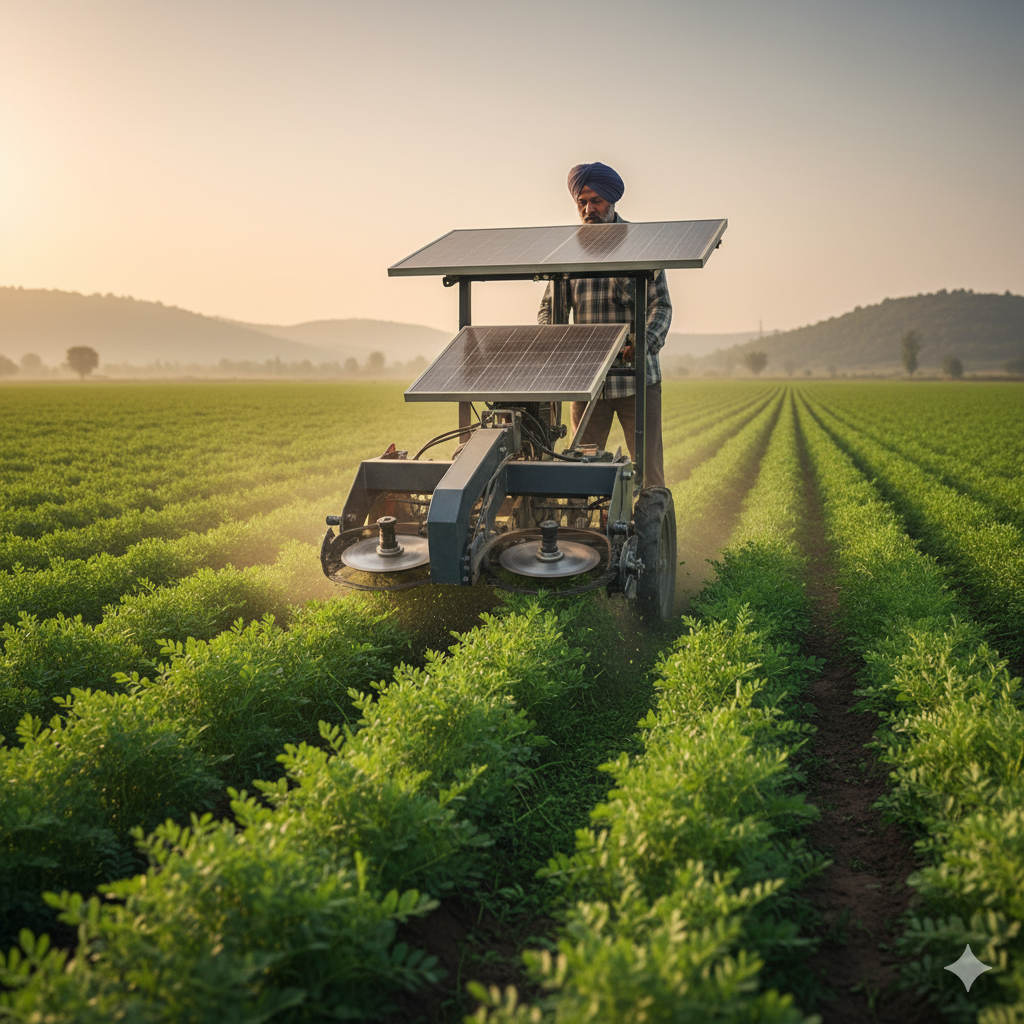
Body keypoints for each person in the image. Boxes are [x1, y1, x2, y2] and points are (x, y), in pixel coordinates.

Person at [537, 161, 671, 488]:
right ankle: (591, 534)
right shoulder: (567, 252)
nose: (588, 209)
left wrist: (639, 345)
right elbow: (548, 309)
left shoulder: (640, 244)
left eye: (596, 201)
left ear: (612, 201)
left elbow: (661, 306)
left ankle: (652, 532)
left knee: (648, 473)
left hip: (636, 382)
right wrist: (555, 341)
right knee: (581, 470)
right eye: (582, 202)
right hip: (586, 381)